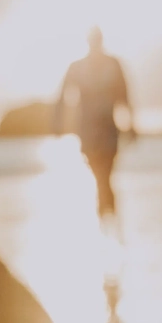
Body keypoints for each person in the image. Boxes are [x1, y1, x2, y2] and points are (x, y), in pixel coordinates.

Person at [55, 27, 136, 218]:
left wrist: (132, 125)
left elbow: (125, 96)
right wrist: (58, 123)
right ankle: (107, 209)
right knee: (99, 173)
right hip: (88, 130)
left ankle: (106, 211)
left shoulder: (113, 64)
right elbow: (63, 96)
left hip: (108, 128)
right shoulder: (78, 66)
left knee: (106, 172)